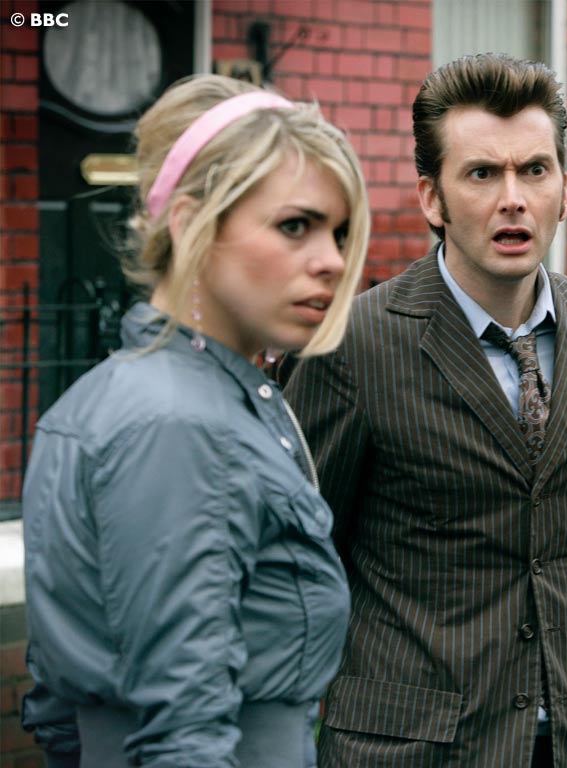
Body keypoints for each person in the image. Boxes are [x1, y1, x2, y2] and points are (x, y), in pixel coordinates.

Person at [283, 53, 567, 767]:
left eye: (535, 170)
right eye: (482, 174)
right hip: (409, 752)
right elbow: (294, 563)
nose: (513, 198)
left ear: (564, 190)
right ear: (433, 199)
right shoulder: (353, 343)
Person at [20, 73, 370, 768]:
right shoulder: (180, 427)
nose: (332, 261)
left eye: (339, 232)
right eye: (294, 226)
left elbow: (59, 711)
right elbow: (184, 728)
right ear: (189, 226)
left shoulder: (131, 398)